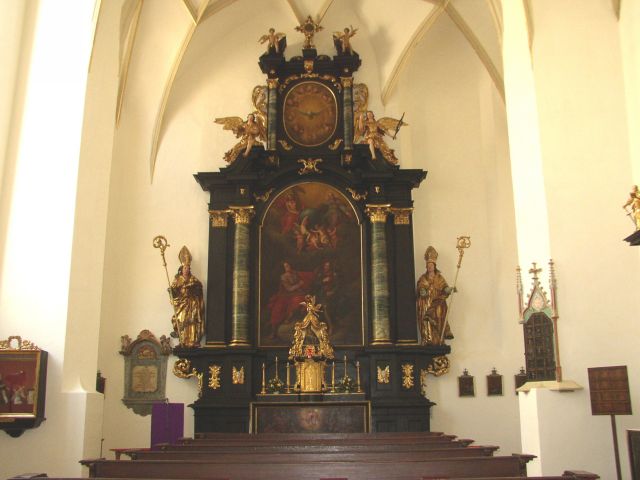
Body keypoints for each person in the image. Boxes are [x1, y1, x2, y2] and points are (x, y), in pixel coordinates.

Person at [416, 246, 454, 345]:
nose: (429, 267)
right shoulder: (423, 278)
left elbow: (444, 287)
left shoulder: (439, 277)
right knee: (427, 319)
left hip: (438, 303)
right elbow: (420, 286)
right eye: (428, 266)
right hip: (427, 302)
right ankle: (427, 339)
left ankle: (439, 340)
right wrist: (422, 290)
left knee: (439, 317)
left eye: (431, 265)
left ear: (434, 266)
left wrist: (448, 289)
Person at [266, 262, 314, 340]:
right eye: (286, 266)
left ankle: (300, 325)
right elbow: (289, 289)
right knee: (278, 309)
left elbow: (301, 283)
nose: (288, 267)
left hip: (296, 294)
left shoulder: (295, 274)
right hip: (285, 295)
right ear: (283, 268)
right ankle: (274, 332)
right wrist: (299, 284)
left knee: (303, 302)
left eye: (289, 265)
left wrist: (301, 288)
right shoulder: (283, 277)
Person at [170, 246, 205, 348]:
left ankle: (192, 340)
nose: (187, 270)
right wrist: (171, 290)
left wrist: (192, 286)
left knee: (192, 321)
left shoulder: (193, 279)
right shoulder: (177, 279)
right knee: (181, 320)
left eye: (188, 268)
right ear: (181, 269)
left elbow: (199, 286)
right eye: (185, 268)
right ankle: (183, 341)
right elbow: (174, 291)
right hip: (181, 303)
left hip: (191, 302)